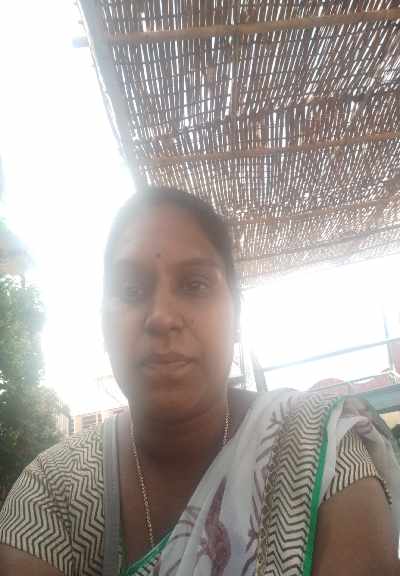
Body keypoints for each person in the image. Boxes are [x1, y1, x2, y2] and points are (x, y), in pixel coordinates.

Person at [0, 186, 399, 576]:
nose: (161, 317)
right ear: (102, 324)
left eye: (195, 284)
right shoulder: (53, 493)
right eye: (131, 289)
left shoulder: (316, 447)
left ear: (236, 315)